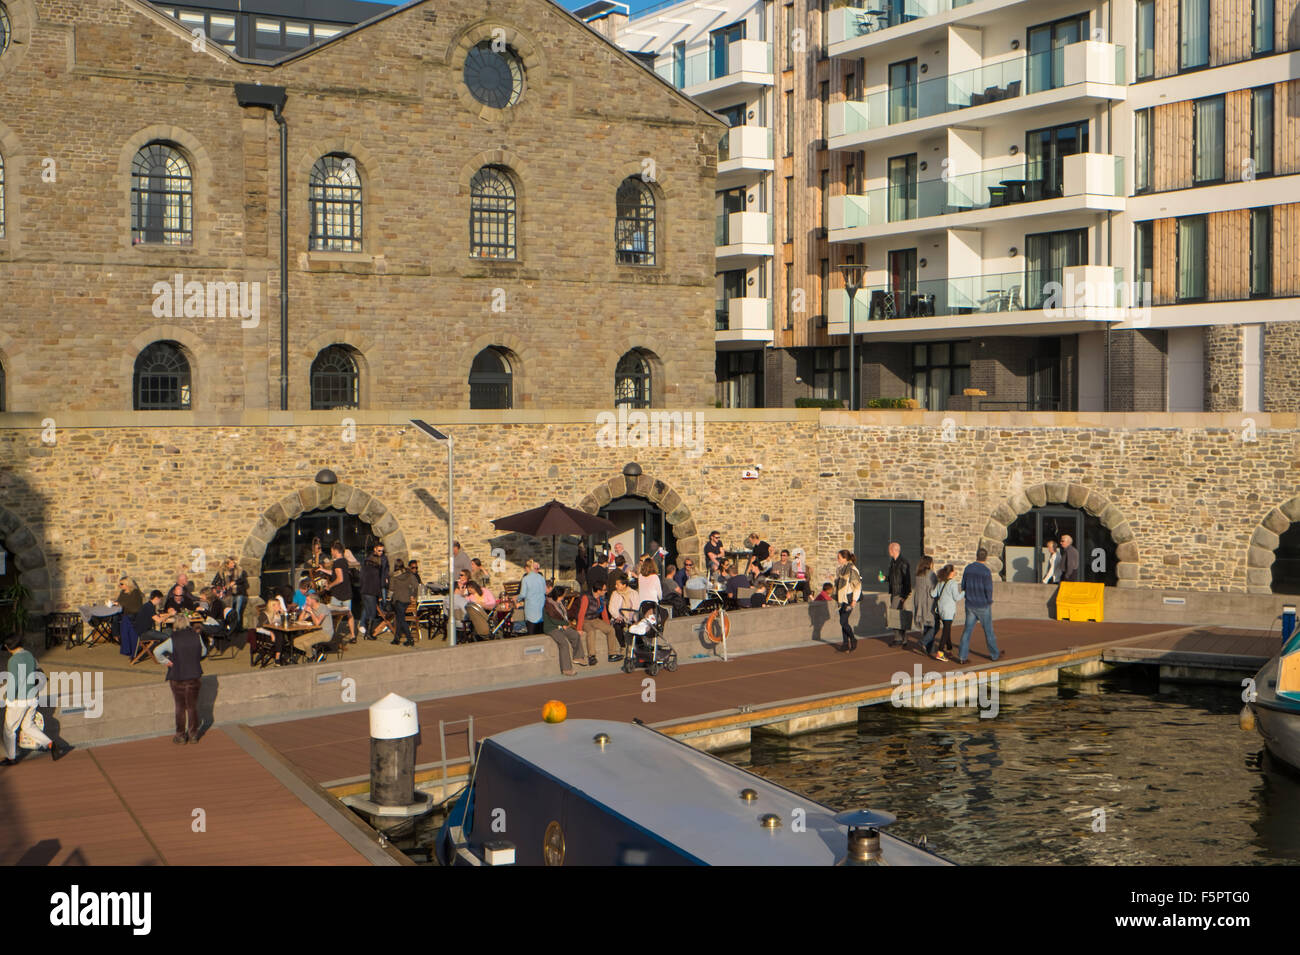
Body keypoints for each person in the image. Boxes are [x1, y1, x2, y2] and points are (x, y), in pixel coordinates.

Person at [3, 634, 72, 764]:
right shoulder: (29, 655)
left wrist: (9, 700)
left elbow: (14, 682)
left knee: (9, 729)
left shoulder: (13, 660)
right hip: (33, 697)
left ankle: (11, 758)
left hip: (19, 700)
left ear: (8, 647)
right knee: (28, 725)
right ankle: (51, 745)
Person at [153, 619, 208, 744]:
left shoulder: (173, 639)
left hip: (177, 675)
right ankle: (193, 734)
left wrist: (166, 662)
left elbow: (157, 651)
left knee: (180, 707)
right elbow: (203, 652)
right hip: (194, 675)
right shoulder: (196, 636)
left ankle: (181, 735)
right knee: (192, 706)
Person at [957, 549, 1000, 665]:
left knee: (967, 631)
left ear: (976, 556)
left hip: (970, 604)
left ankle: (962, 656)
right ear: (985, 558)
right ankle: (994, 654)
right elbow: (988, 589)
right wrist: (989, 601)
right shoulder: (986, 571)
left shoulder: (968, 568)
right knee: (988, 631)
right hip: (983, 605)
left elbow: (963, 585)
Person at [542, 588, 584, 676]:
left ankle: (578, 657)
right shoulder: (548, 604)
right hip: (551, 628)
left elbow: (564, 615)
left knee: (575, 635)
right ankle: (566, 669)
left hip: (561, 625)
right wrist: (564, 624)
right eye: (562, 596)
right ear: (557, 596)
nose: (563, 598)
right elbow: (553, 619)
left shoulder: (559, 603)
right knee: (563, 643)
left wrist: (566, 624)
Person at [575, 581, 619, 666]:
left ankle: (612, 654)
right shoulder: (586, 597)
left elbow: (604, 612)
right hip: (585, 619)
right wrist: (579, 628)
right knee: (591, 632)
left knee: (610, 630)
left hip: (595, 619)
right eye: (604, 589)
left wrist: (607, 624)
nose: (606, 591)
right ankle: (592, 656)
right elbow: (581, 613)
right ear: (598, 590)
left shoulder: (602, 598)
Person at [928, 564, 961, 661]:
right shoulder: (953, 583)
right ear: (951, 572)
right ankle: (940, 652)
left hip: (940, 609)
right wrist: (964, 592)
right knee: (946, 631)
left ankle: (949, 648)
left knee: (947, 629)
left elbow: (933, 593)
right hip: (949, 610)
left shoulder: (940, 582)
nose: (955, 572)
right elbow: (956, 597)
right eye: (954, 570)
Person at [326, 540, 356, 641]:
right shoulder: (344, 561)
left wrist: (330, 585)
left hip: (338, 593)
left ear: (335, 551)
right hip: (347, 591)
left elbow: (339, 579)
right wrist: (323, 570)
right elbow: (335, 573)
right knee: (349, 614)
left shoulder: (337, 562)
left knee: (331, 614)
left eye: (331, 551)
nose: (331, 553)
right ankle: (353, 635)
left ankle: (331, 635)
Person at [833, 550, 862, 653]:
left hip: (849, 599)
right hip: (842, 599)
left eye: (839, 557)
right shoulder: (840, 569)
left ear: (845, 558)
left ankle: (853, 639)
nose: (838, 559)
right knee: (843, 622)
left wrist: (854, 600)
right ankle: (845, 643)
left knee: (843, 621)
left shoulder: (852, 569)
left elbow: (857, 586)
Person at [886, 541, 912, 648]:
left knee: (894, 615)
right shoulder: (893, 562)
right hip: (894, 591)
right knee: (899, 615)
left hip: (900, 593)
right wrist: (885, 579)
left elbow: (907, 580)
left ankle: (898, 638)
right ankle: (903, 638)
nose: (888, 551)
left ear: (893, 550)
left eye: (889, 549)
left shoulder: (903, 563)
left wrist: (904, 595)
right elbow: (893, 578)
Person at [212, 557, 248, 628]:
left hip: (238, 593)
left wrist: (235, 582)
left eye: (233, 562)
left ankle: (237, 626)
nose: (233, 564)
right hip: (227, 594)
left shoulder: (239, 571)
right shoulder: (222, 572)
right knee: (228, 608)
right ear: (227, 564)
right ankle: (229, 625)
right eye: (231, 563)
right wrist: (222, 587)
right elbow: (214, 582)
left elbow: (243, 581)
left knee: (237, 609)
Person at [912, 555, 938, 656]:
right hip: (929, 603)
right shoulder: (931, 574)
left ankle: (930, 649)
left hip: (920, 603)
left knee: (927, 626)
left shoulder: (919, 574)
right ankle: (923, 642)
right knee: (934, 627)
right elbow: (934, 590)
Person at [389, 559, 417, 647]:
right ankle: (396, 638)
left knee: (401, 619)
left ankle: (410, 638)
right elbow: (416, 585)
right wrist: (413, 595)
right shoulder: (409, 574)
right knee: (398, 618)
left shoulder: (394, 576)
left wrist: (388, 600)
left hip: (398, 599)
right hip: (407, 599)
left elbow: (391, 590)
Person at [359, 548, 384, 640]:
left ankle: (366, 632)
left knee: (367, 611)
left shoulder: (364, 568)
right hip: (371, 593)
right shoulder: (375, 570)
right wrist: (380, 595)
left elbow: (360, 579)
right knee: (372, 613)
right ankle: (369, 633)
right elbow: (377, 584)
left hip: (364, 592)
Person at [519, 559, 547, 635]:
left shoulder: (525, 579)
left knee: (532, 634)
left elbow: (523, 594)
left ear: (527, 568)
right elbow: (545, 591)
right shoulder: (542, 578)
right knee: (540, 633)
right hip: (541, 608)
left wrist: (517, 598)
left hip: (531, 609)